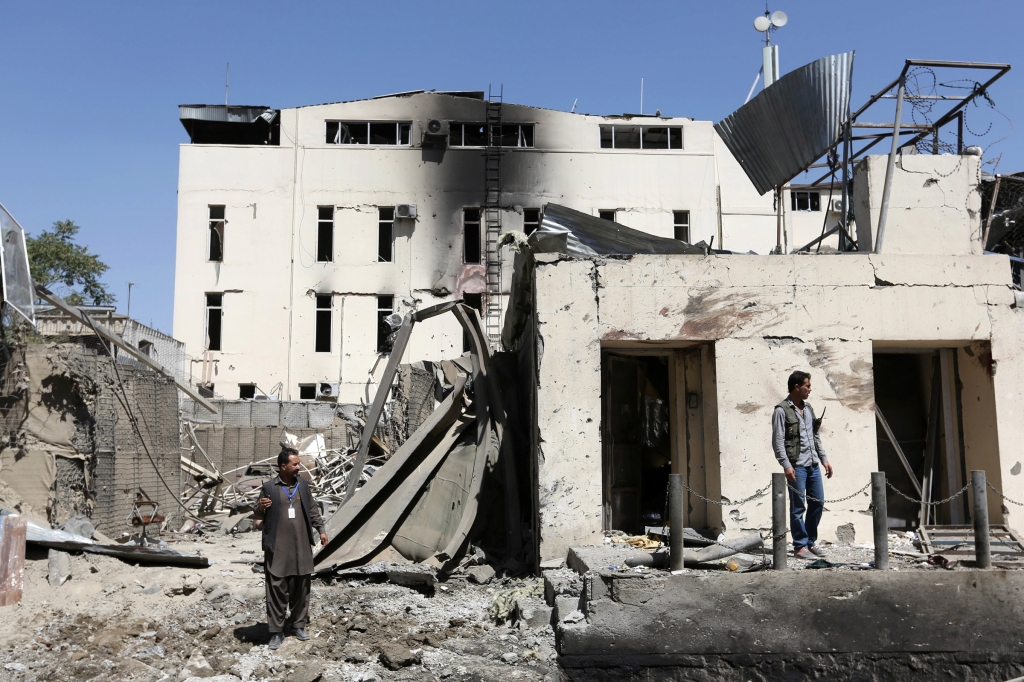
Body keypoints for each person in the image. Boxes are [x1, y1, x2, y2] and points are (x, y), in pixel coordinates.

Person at [253, 446, 328, 650]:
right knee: (276, 589)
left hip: (301, 546)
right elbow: (257, 519)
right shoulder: (269, 488)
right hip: (278, 549)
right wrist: (261, 509)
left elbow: (312, 509)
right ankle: (276, 632)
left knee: (302, 588)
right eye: (295, 464)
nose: (299, 467)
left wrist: (320, 529)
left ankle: (298, 625)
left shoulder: (303, 485)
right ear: (283, 466)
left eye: (299, 463)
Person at [772, 371, 834, 560]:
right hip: (796, 465)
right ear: (797, 387)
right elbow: (778, 440)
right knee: (798, 507)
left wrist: (824, 459)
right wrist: (786, 465)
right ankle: (800, 545)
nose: (810, 389)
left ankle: (810, 542)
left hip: (813, 464)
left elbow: (815, 436)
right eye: (807, 385)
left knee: (818, 502)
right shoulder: (781, 410)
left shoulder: (808, 409)